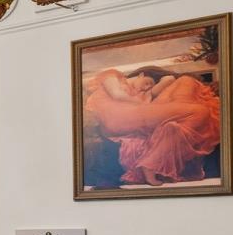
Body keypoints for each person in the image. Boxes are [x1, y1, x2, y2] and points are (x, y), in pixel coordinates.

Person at [83, 68, 221, 186]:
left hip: (130, 117)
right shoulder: (112, 75)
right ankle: (151, 163)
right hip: (118, 117)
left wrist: (165, 81)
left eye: (150, 86)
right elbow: (117, 95)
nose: (146, 87)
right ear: (141, 75)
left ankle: (158, 150)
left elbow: (162, 87)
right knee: (199, 111)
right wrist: (140, 102)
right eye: (147, 82)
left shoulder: (142, 93)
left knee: (180, 117)